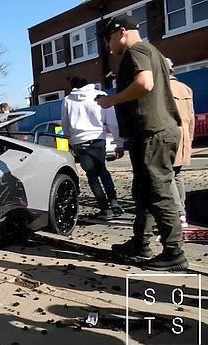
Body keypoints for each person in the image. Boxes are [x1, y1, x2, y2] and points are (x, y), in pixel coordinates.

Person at [97, 14, 187, 271]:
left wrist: (110, 101)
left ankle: (174, 253)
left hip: (153, 133)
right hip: (150, 132)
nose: (108, 47)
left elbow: (145, 84)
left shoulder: (136, 50)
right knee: (145, 193)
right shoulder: (151, 51)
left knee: (158, 194)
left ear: (121, 31)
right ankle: (140, 243)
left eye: (109, 39)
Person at [61, 76, 123, 220]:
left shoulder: (67, 100)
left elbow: (65, 124)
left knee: (92, 176)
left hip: (80, 141)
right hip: (98, 139)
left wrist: (70, 139)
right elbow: (113, 122)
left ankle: (104, 209)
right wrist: (119, 143)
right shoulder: (100, 96)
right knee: (103, 170)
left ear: (73, 86)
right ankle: (114, 201)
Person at [166, 58, 195, 228]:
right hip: (183, 137)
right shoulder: (186, 89)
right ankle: (182, 213)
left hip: (169, 137)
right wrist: (189, 140)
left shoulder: (161, 89)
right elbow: (191, 118)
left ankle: (178, 214)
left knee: (168, 175)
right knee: (177, 175)